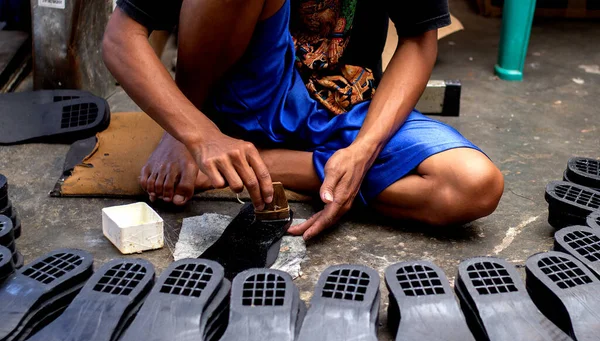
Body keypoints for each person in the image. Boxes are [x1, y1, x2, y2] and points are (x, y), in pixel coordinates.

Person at [102, 0, 504, 240]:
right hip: (244, 100)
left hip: (349, 109)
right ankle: (204, 126)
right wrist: (193, 133)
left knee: (474, 185)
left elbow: (419, 39)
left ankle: (266, 165)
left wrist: (364, 151)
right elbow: (122, 38)